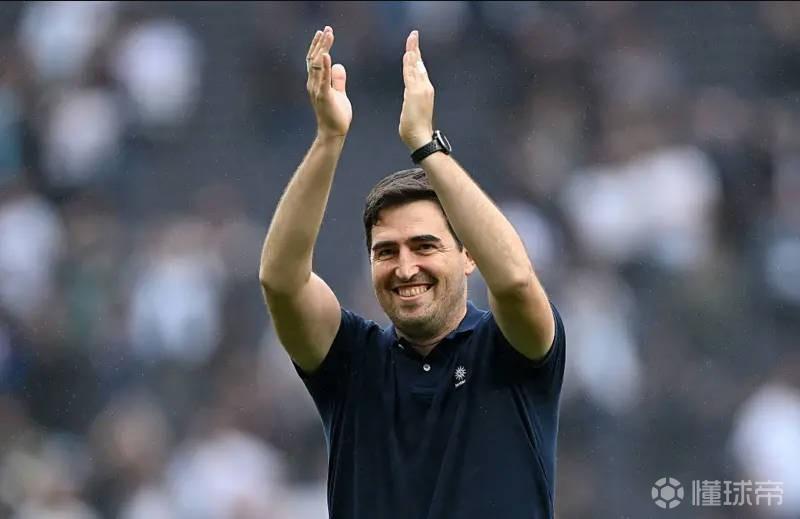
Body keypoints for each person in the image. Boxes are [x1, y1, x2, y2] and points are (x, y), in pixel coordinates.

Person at [259, 25, 566, 519]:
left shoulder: (510, 351)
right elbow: (281, 281)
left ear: (469, 256)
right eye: (386, 251)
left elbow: (514, 280)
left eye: (425, 246)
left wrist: (426, 145)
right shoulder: (352, 362)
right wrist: (328, 139)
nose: (405, 268)